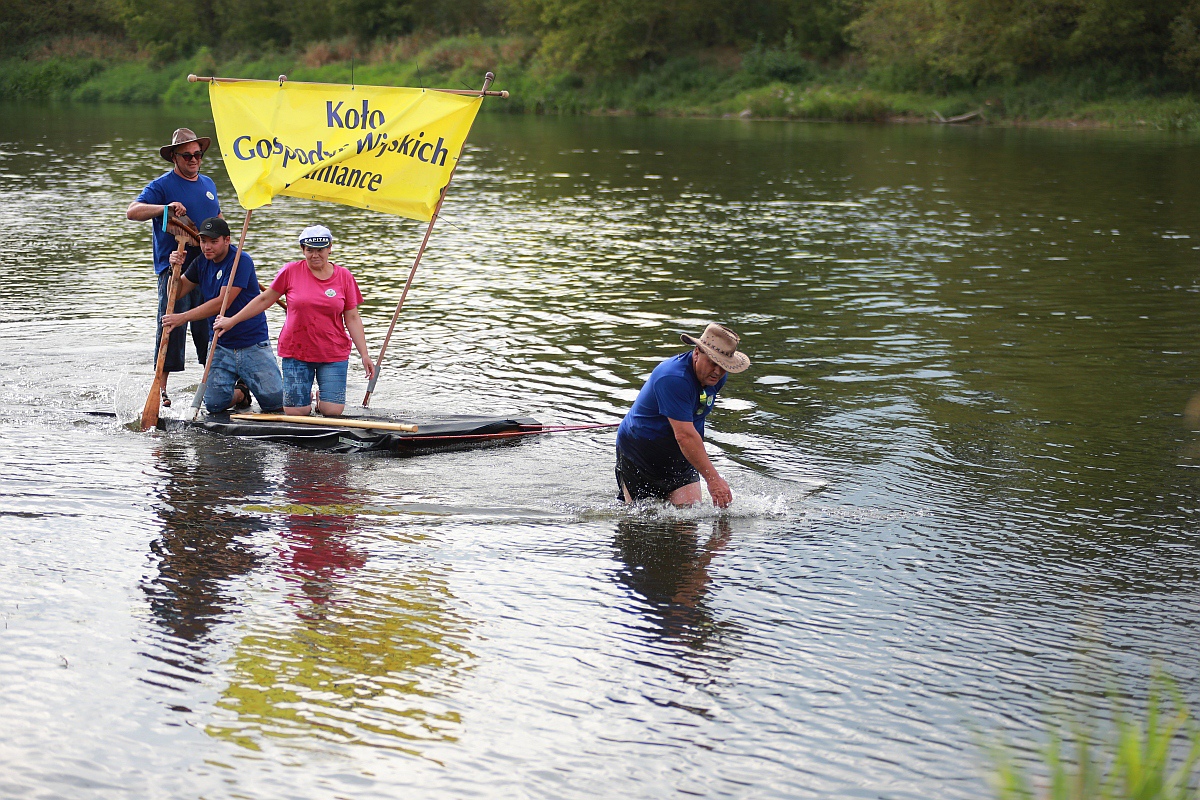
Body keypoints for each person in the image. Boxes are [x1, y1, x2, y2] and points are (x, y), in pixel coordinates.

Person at [214, 225, 374, 417]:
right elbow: (264, 299)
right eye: (310, 250)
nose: (315, 255)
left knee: (332, 412)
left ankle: (320, 398)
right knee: (296, 412)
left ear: (330, 248)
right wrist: (232, 320)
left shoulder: (345, 277)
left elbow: (353, 317)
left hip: (333, 351)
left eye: (320, 250)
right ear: (302, 250)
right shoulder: (290, 271)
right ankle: (305, 401)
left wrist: (364, 354)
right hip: (296, 350)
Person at [126, 128, 222, 406]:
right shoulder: (161, 186)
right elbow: (133, 212)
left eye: (198, 154)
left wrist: (228, 244)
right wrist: (164, 208)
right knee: (172, 325)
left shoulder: (208, 184)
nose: (194, 160)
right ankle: (161, 387)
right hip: (175, 266)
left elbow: (216, 215)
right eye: (187, 155)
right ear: (174, 158)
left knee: (209, 324)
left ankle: (214, 384)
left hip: (207, 265)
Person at [615, 323, 751, 508]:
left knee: (687, 521)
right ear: (697, 352)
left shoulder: (716, 377)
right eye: (713, 362)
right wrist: (713, 480)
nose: (718, 371)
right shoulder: (673, 378)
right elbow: (685, 435)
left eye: (723, 365)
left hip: (679, 455)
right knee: (640, 523)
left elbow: (694, 416)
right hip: (640, 453)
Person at [161, 217, 284, 414]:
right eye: (203, 241)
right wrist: (173, 270)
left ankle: (259, 383)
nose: (207, 247)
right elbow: (174, 294)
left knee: (276, 404)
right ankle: (241, 393)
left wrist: (182, 318)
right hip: (221, 343)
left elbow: (222, 303)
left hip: (251, 342)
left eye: (213, 241)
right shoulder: (201, 262)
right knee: (214, 405)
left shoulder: (240, 261)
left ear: (227, 240)